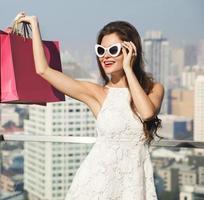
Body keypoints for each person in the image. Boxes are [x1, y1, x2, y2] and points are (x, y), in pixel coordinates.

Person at [13, 11, 164, 200]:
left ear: (130, 50)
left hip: (134, 185)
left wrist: (128, 69)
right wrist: (34, 26)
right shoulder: (97, 93)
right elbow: (43, 70)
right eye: (101, 50)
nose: (105, 56)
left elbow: (147, 112)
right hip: (96, 183)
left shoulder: (154, 89)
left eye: (113, 50)